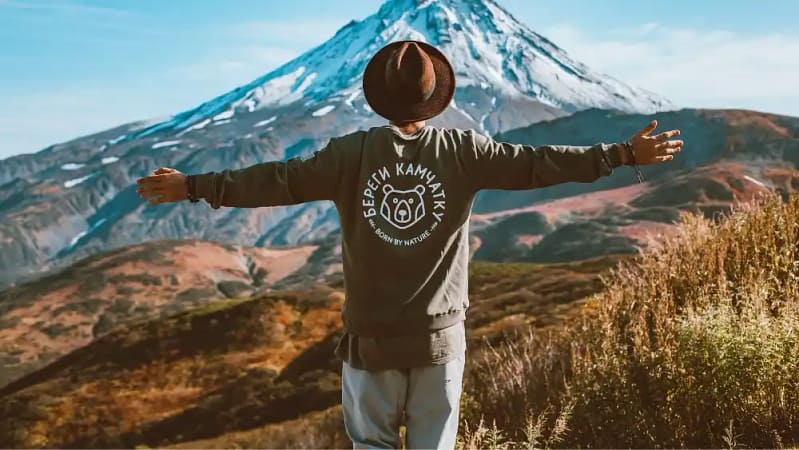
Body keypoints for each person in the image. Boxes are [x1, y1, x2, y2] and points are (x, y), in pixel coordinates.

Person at [136, 40, 683, 449]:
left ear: (377, 99)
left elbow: (275, 180)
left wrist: (193, 187)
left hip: (371, 342)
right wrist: (621, 155)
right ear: (436, 98)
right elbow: (539, 164)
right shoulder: (464, 150)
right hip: (439, 341)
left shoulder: (348, 154)